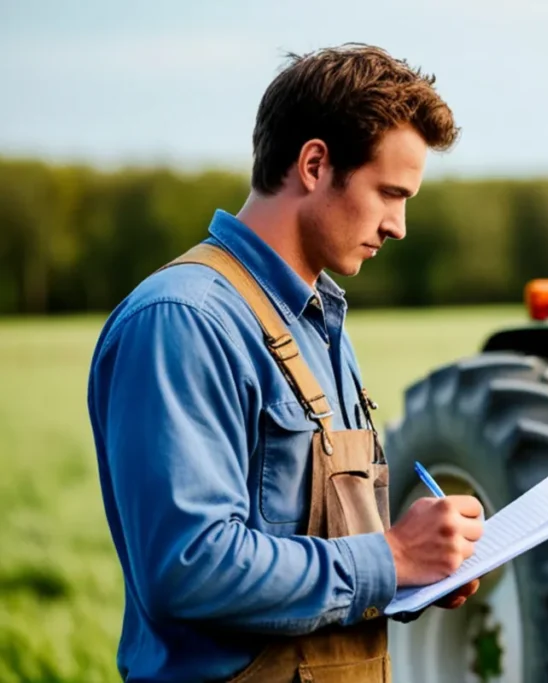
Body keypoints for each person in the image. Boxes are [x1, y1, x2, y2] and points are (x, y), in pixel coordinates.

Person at [87, 44, 484, 682]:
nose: (399, 226)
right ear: (315, 163)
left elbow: (326, 560)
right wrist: (391, 557)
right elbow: (189, 566)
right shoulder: (184, 320)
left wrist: (423, 571)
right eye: (389, 193)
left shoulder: (319, 322)